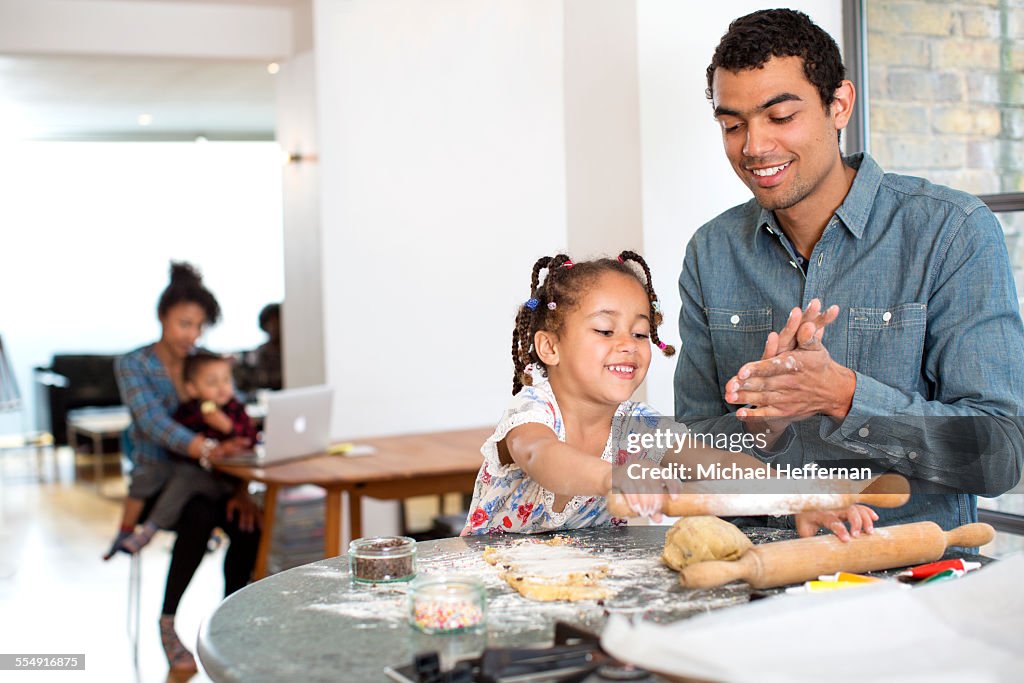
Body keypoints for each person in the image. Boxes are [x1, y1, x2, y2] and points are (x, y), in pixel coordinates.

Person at [674, 9, 1024, 532]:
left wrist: (843, 396)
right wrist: (760, 429)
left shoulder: (952, 231)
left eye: (780, 117)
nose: (754, 146)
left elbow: (1001, 455)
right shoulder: (711, 251)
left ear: (839, 105)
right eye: (732, 125)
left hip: (911, 582)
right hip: (757, 579)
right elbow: (685, 459)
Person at [462, 251, 876, 538]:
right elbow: (543, 458)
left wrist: (800, 497)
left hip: (579, 587)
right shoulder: (533, 411)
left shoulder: (637, 425)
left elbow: (718, 463)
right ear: (549, 347)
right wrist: (618, 477)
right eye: (606, 331)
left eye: (641, 333)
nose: (628, 344)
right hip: (495, 582)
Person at [112, 262, 261, 673]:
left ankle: (231, 618)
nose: (192, 335)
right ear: (163, 316)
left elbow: (236, 413)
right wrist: (210, 448)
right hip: (164, 481)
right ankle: (167, 624)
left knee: (250, 523)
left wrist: (242, 490)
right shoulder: (133, 364)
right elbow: (154, 425)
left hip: (216, 479)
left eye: (199, 327)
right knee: (199, 515)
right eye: (184, 324)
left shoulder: (205, 364)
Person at [105, 351, 258, 556]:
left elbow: (250, 439)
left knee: (248, 526)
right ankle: (137, 529)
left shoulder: (236, 410)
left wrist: (228, 427)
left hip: (228, 482)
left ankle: (149, 531)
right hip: (195, 478)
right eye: (212, 382)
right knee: (171, 479)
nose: (222, 388)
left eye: (226, 380)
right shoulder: (190, 413)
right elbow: (175, 445)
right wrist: (210, 448)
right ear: (192, 389)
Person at [255, 302, 283, 390]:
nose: (274, 327)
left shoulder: (292, 351)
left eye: (277, 322)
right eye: (270, 323)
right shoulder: (259, 353)